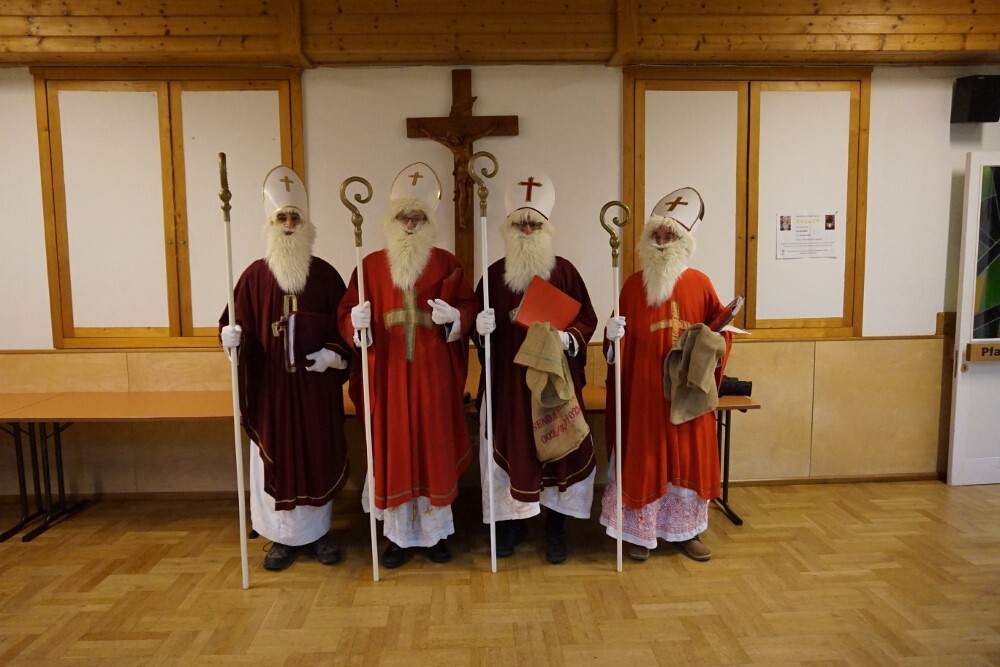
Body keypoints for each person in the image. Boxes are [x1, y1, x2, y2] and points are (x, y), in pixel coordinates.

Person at [337, 161, 477, 569]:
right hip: (390, 378)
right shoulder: (369, 266)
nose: (411, 224)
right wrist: (354, 324)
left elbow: (468, 306)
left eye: (419, 217)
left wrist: (456, 318)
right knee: (394, 451)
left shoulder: (447, 263)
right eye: (404, 217)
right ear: (392, 220)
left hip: (434, 379)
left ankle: (434, 536)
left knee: (433, 450)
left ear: (429, 222)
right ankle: (397, 538)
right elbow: (346, 313)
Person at [219, 165, 351, 571]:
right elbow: (235, 325)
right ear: (271, 224)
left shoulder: (325, 275)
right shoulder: (253, 277)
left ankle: (319, 534)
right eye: (282, 218)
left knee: (316, 456)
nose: (289, 224)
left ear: (306, 224)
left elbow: (345, 327)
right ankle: (279, 538)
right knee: (274, 457)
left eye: (295, 217)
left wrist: (332, 355)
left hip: (314, 391)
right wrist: (230, 338)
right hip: (271, 391)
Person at [600, 187, 732, 562]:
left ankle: (686, 532)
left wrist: (716, 341)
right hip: (644, 393)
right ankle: (640, 534)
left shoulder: (701, 284)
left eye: (669, 235)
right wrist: (611, 337)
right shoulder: (632, 285)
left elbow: (719, 331)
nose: (661, 241)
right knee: (645, 458)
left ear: (683, 241)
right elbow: (614, 345)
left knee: (687, 458)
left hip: (686, 392)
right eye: (655, 235)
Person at [473, 168, 598, 564]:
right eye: (520, 224)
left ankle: (555, 528)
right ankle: (513, 524)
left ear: (546, 228)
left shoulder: (565, 272)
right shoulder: (493, 276)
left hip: (554, 385)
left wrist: (568, 338)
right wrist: (480, 328)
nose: (527, 229)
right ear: (508, 228)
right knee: (515, 451)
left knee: (558, 454)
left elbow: (586, 319)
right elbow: (476, 331)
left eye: (534, 224)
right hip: (510, 385)